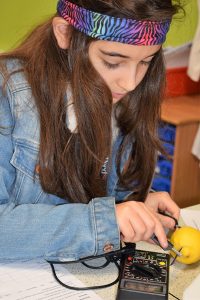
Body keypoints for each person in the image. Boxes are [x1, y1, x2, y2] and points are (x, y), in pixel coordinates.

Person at [0, 0, 181, 262]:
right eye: (112, 62)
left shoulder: (125, 98)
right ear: (65, 32)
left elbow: (99, 198)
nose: (130, 82)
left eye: (146, 62)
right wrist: (104, 221)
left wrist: (132, 209)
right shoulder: (7, 95)